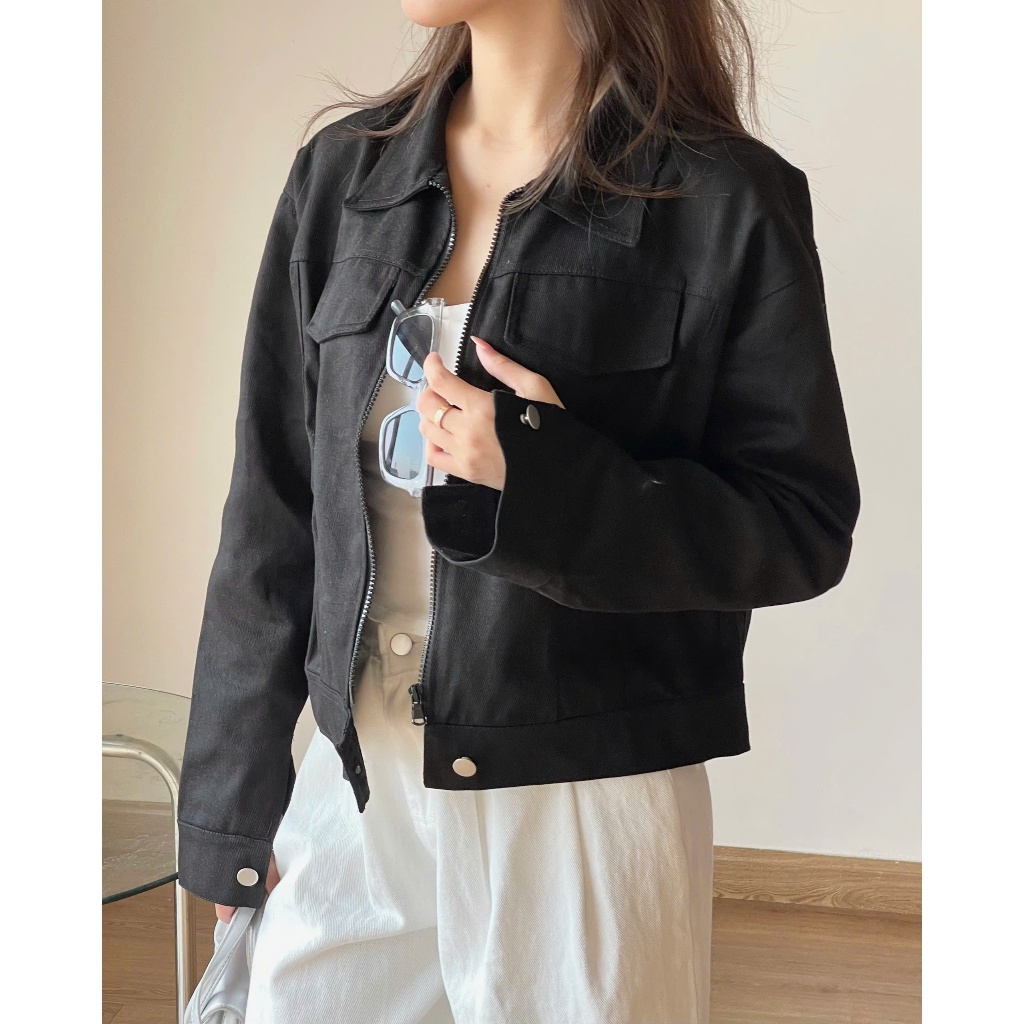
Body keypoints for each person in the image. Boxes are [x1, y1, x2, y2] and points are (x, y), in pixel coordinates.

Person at [175, 2, 861, 1022]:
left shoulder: (722, 200)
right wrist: (229, 808)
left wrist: (546, 480)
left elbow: (798, 525)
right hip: (357, 790)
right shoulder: (343, 178)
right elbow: (270, 514)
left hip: (586, 801)